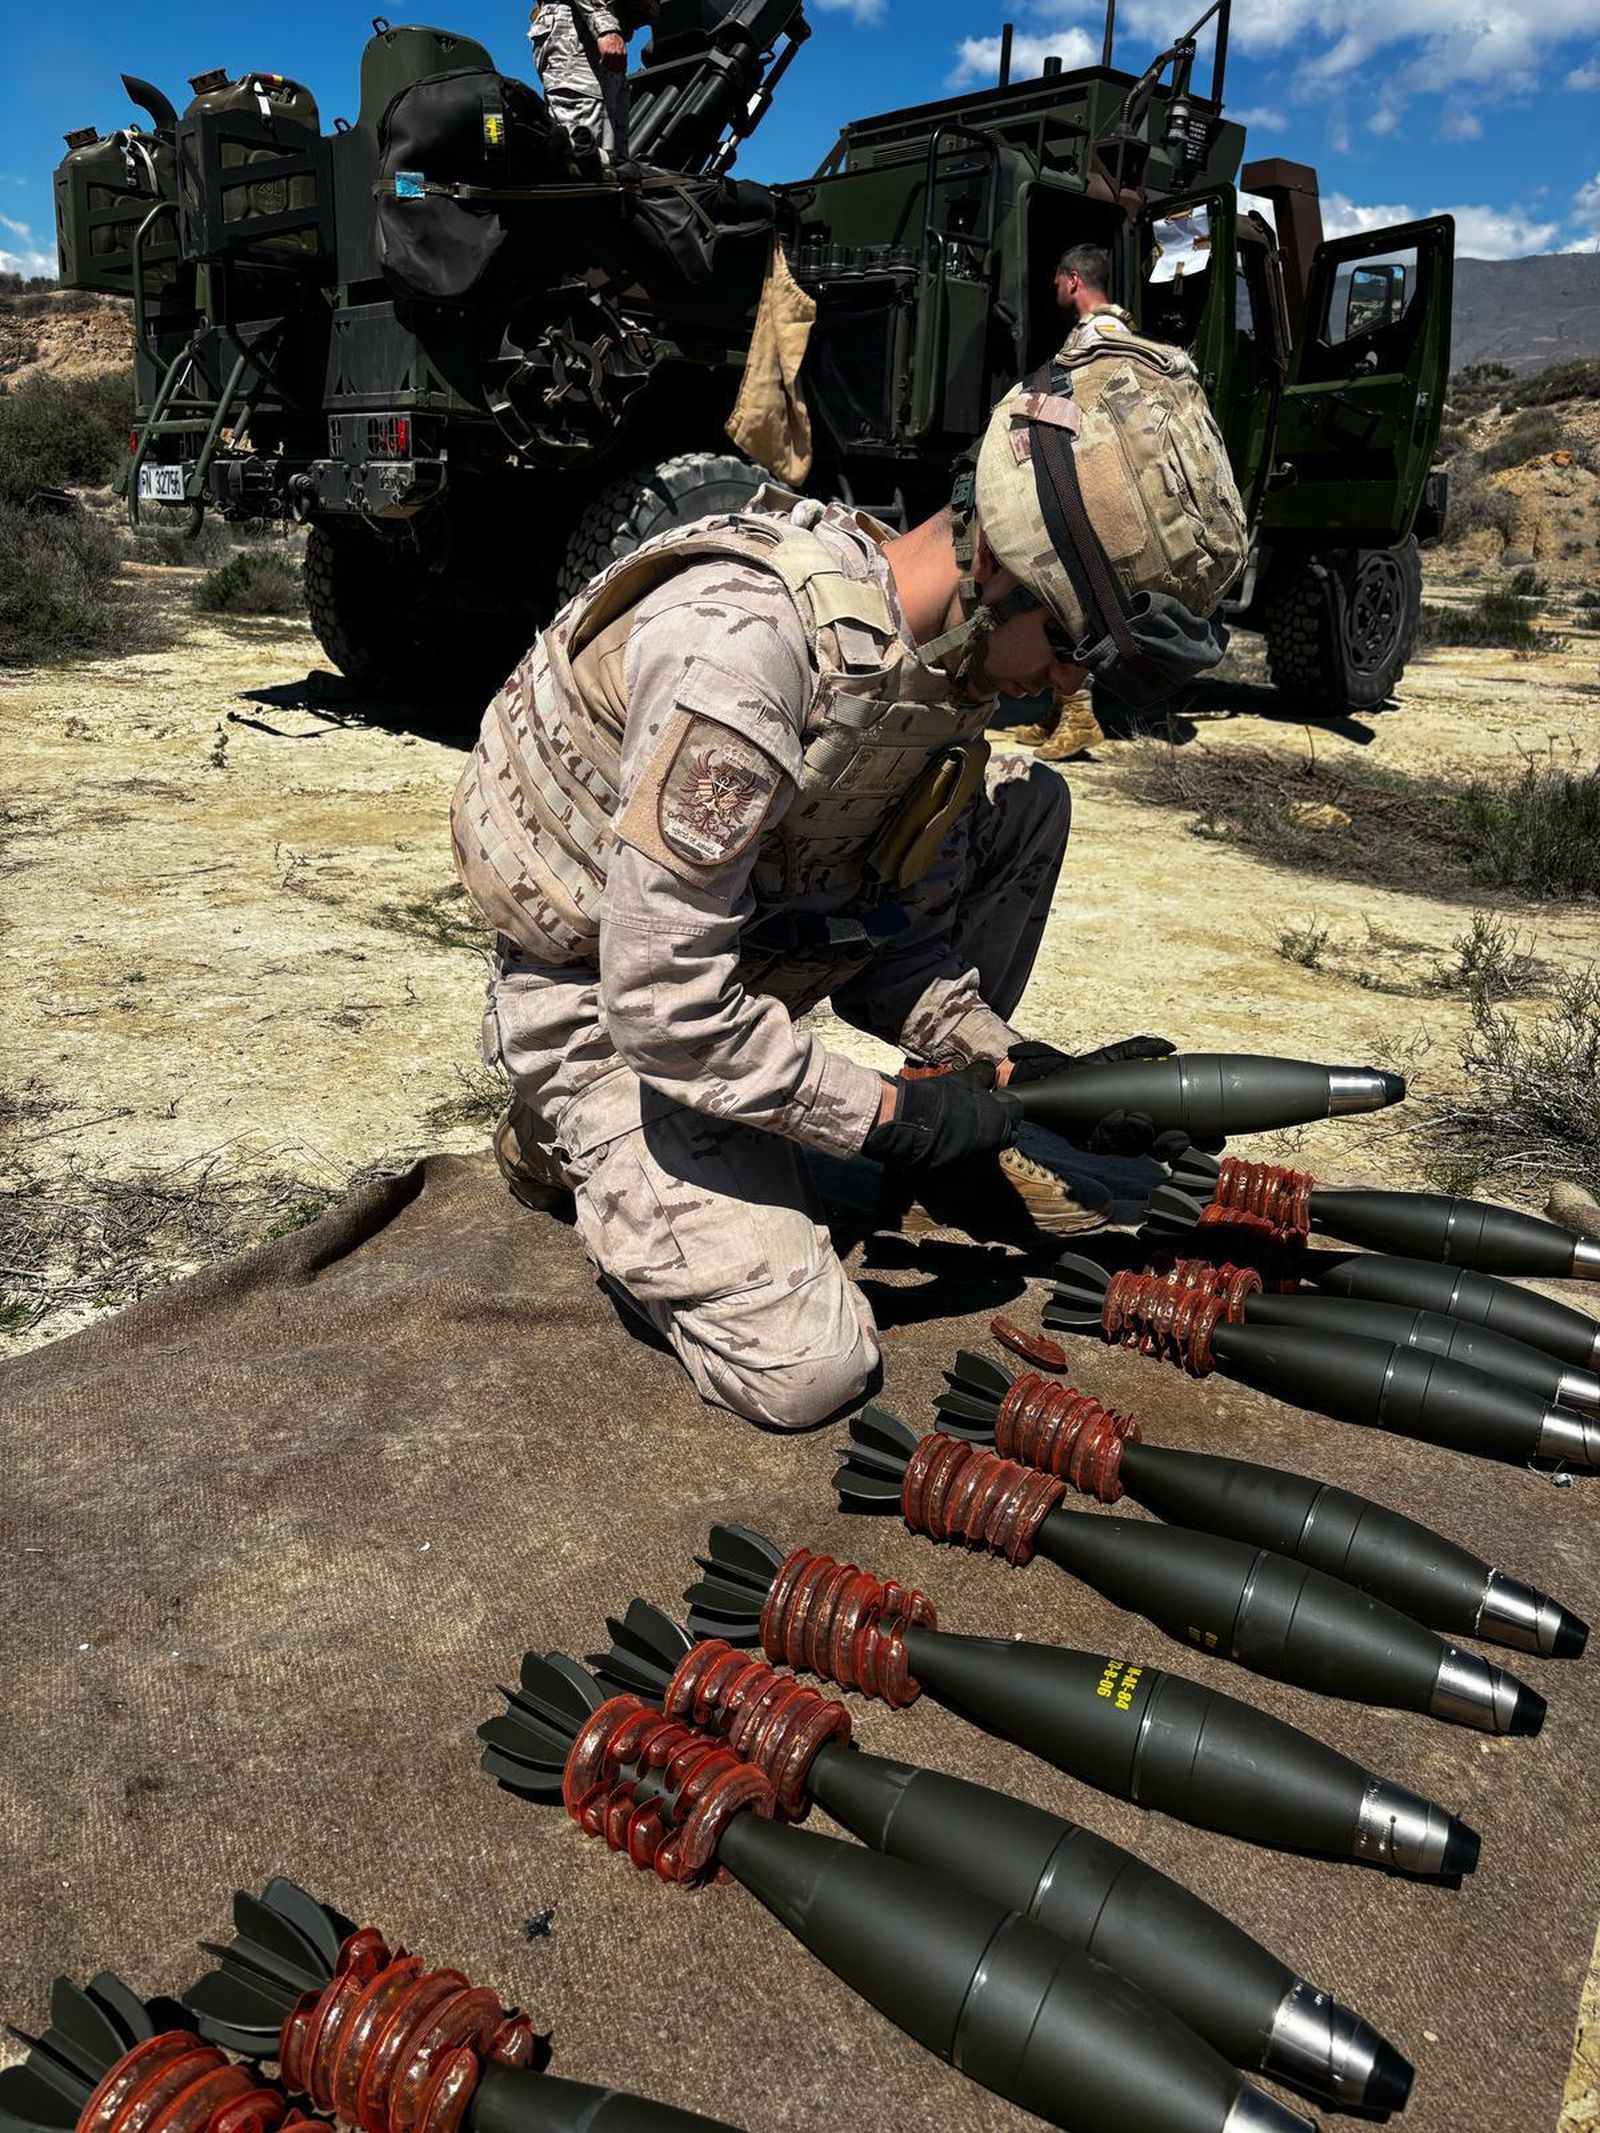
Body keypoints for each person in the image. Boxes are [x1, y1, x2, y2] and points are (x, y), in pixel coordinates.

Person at [450, 381, 1226, 1431]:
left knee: (1027, 804)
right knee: (809, 1370)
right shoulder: (740, 657)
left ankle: (923, 1133)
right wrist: (891, 1118)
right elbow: (665, 1008)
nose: (1061, 686)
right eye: (1066, 647)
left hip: (751, 952)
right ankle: (561, 1124)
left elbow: (886, 931)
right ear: (993, 569)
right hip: (614, 1011)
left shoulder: (935, 681)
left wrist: (1003, 1062)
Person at [528, 0, 658, 167]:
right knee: (586, 155)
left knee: (613, 164)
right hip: (577, 29)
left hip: (594, 28)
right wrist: (605, 26)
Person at [1053, 241, 1134, 352]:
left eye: (1058, 285)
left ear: (1073, 280)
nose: (1057, 293)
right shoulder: (1094, 329)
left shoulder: (1101, 331)